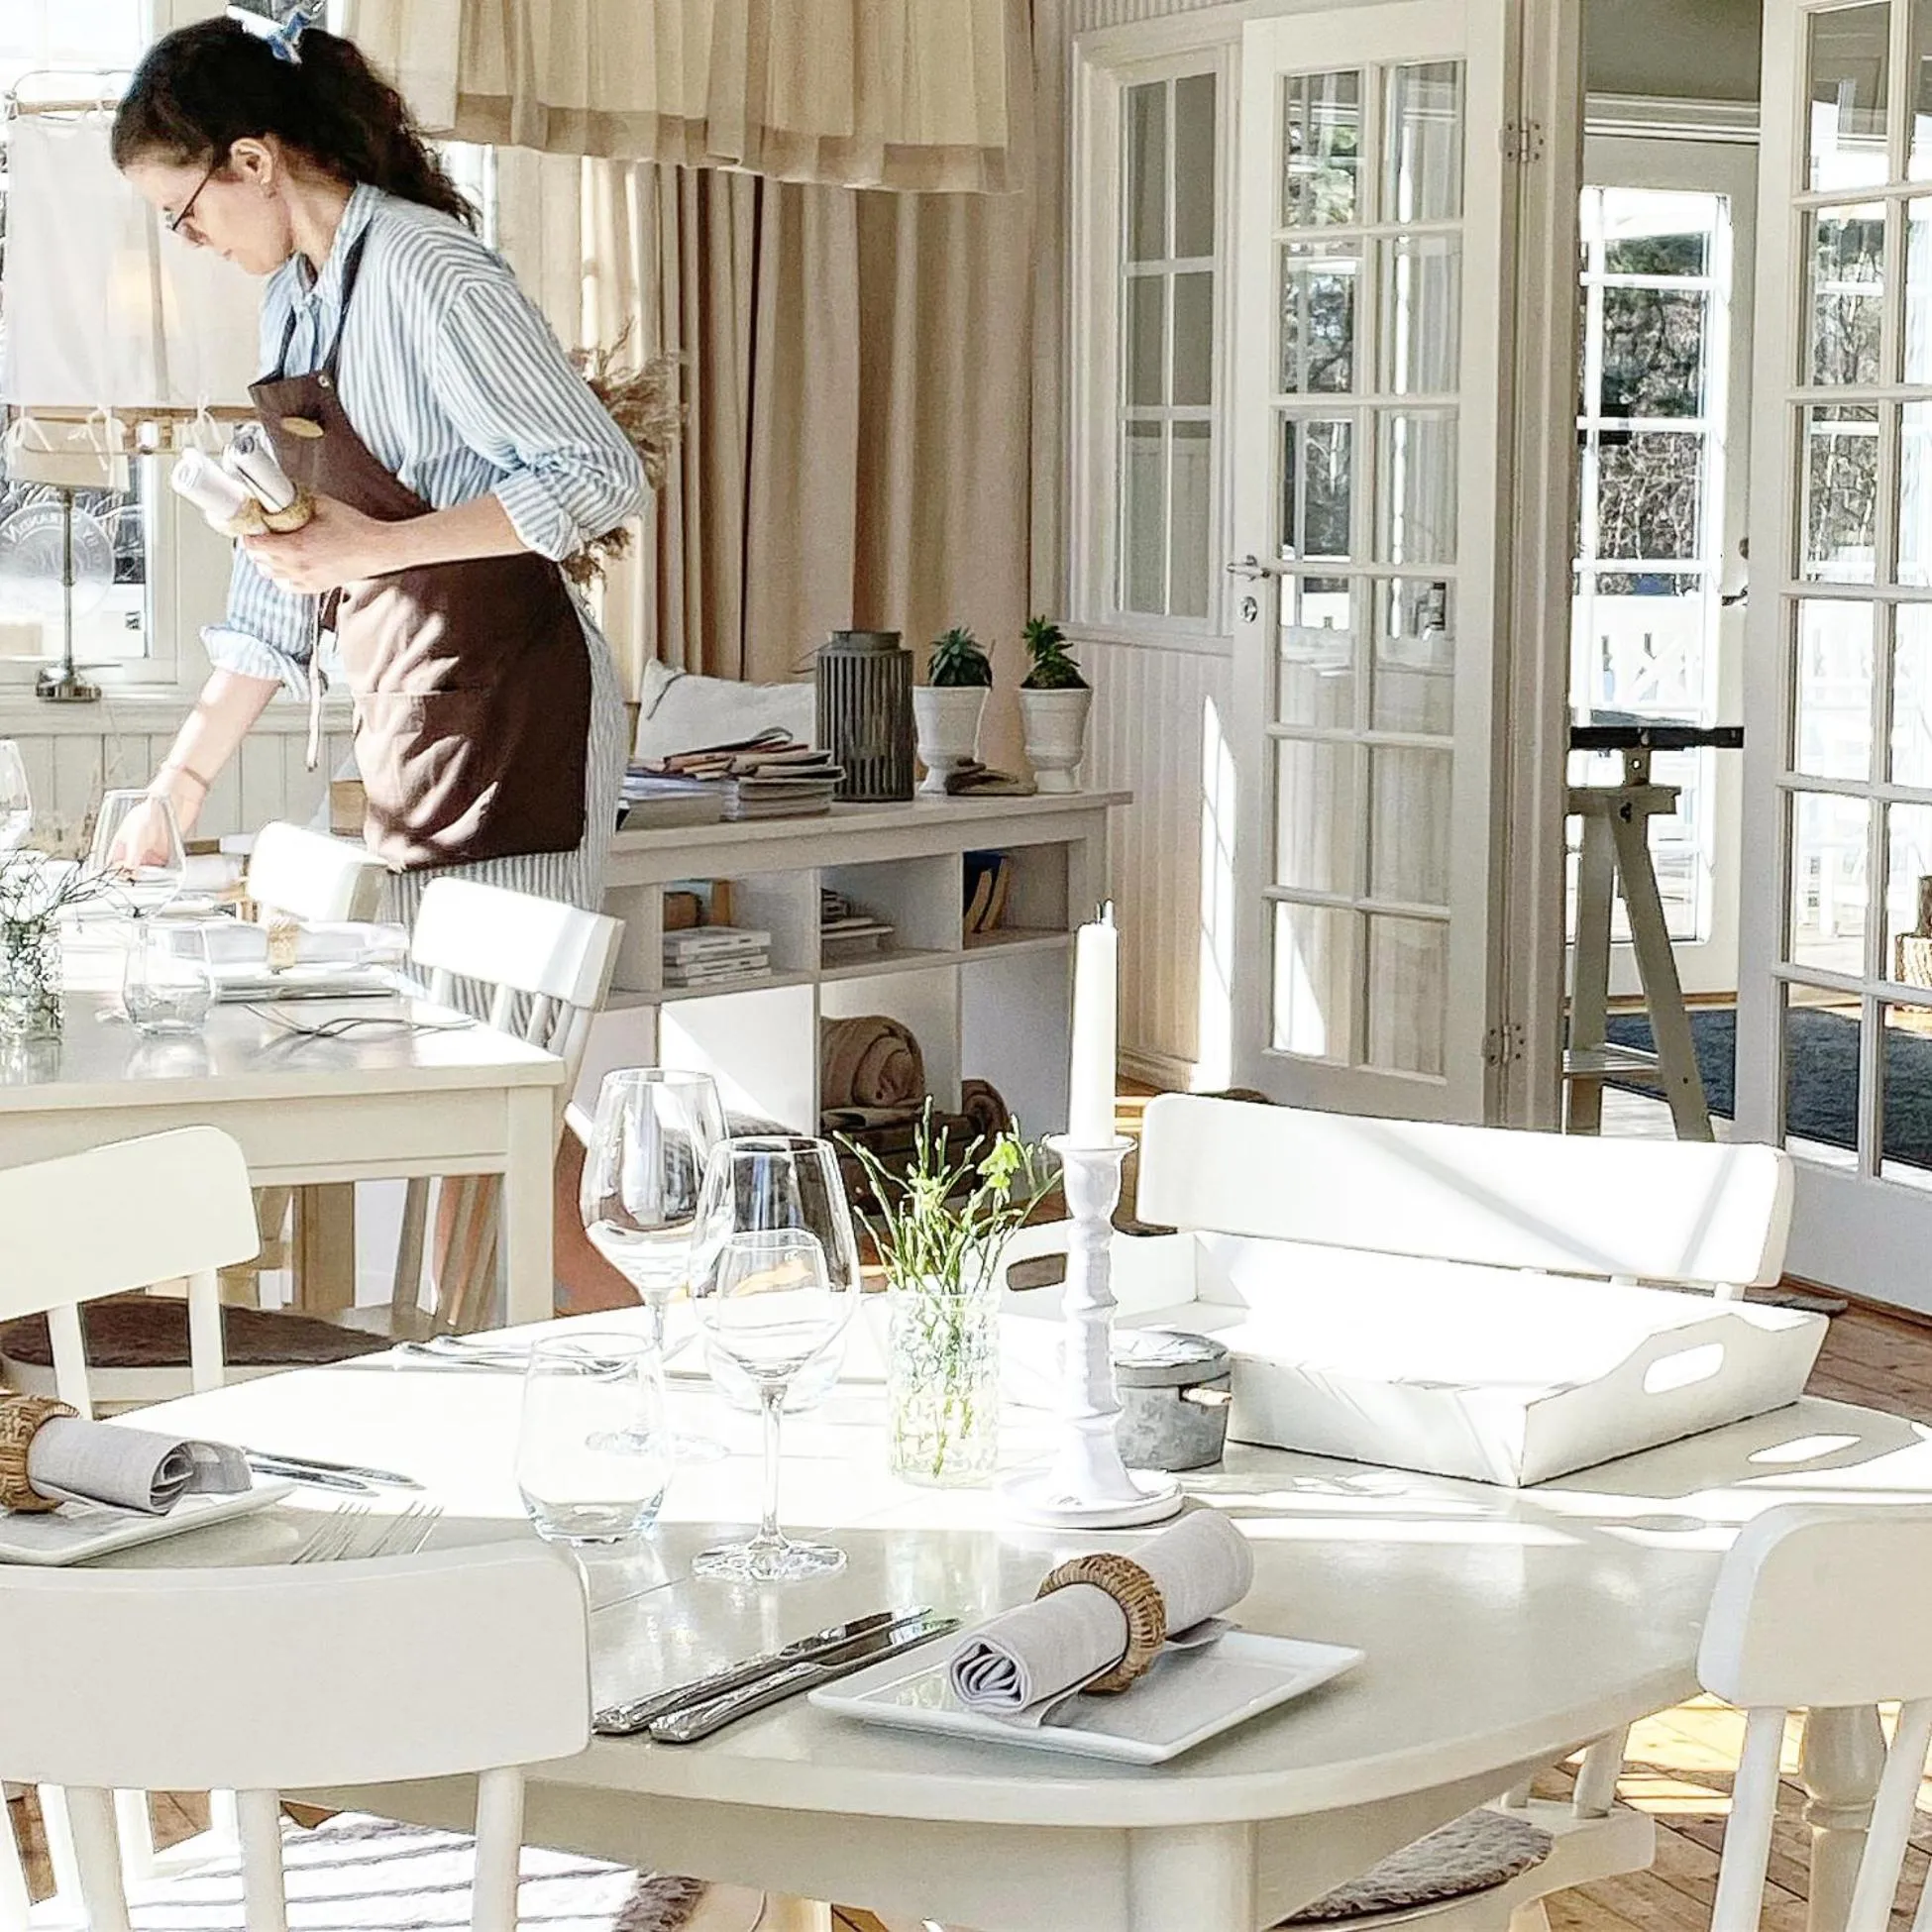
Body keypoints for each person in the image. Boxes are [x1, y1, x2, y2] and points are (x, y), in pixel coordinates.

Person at [110, 11, 642, 927]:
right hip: (415, 713)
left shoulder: (427, 269)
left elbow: (598, 474)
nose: (189, 241)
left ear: (251, 161)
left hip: (515, 712)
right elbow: (277, 587)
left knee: (498, 1062)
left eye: (183, 213)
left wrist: (376, 549)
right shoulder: (295, 302)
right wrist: (178, 787)